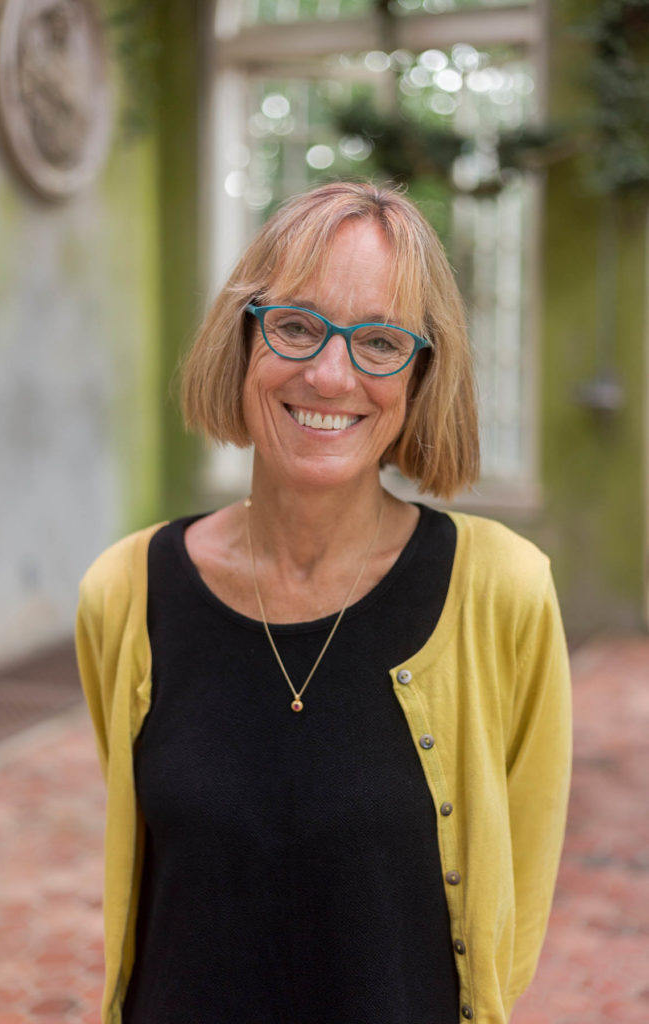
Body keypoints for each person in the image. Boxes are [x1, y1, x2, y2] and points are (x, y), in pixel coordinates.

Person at [76, 181, 571, 1024]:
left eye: (379, 340)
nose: (329, 373)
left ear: (420, 374)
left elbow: (510, 924)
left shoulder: (503, 592)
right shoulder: (123, 592)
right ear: (243, 340)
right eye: (297, 326)